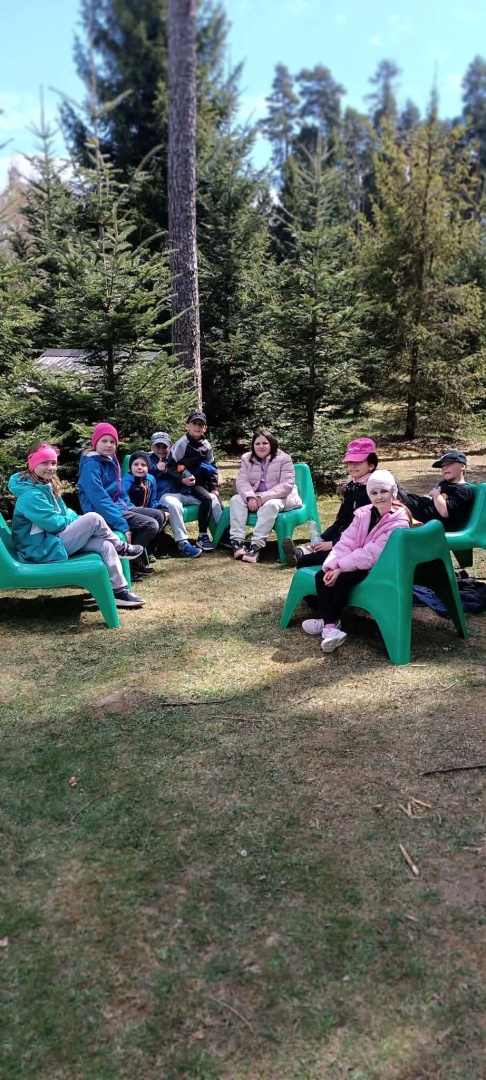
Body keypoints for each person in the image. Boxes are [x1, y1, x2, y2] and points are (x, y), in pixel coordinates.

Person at [8, 442, 145, 608]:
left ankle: (119, 591)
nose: (50, 468)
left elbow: (65, 513)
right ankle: (120, 547)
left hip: (52, 541)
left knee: (104, 544)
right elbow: (54, 524)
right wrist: (80, 523)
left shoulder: (46, 485)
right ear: (32, 464)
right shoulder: (30, 495)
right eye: (44, 463)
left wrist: (77, 521)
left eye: (53, 463)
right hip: (40, 549)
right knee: (93, 518)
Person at [302, 469, 411, 654]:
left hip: (378, 568)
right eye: (374, 493)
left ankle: (328, 623)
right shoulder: (364, 514)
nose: (379, 497)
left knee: (341, 579)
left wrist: (341, 568)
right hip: (357, 562)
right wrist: (334, 565)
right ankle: (330, 626)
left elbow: (372, 553)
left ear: (393, 492)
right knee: (323, 575)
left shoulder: (398, 520)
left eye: (384, 491)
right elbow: (347, 541)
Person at [282, 437, 378, 568]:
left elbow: (364, 530)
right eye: (350, 462)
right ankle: (302, 552)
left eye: (359, 462)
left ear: (371, 465)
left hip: (357, 546)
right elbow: (341, 521)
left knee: (306, 562)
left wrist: (334, 544)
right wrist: (324, 537)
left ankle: (300, 554)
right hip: (343, 539)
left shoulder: (374, 491)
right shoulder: (352, 487)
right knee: (316, 549)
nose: (353, 466)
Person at [78, 423, 162, 556]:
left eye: (112, 442)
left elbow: (120, 490)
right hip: (101, 511)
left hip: (119, 507)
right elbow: (100, 500)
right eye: (104, 441)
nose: (109, 445)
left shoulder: (111, 459)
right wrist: (122, 525)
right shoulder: (91, 465)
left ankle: (146, 553)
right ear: (95, 443)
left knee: (158, 515)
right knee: (151, 525)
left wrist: (130, 506)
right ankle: (134, 562)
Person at [229, 430, 302, 564]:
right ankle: (237, 543)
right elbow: (242, 481)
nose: (261, 446)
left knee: (271, 505)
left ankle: (255, 547)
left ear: (272, 444)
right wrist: (250, 497)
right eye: (257, 444)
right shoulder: (247, 458)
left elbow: (286, 485)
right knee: (236, 500)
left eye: (265, 443)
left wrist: (261, 498)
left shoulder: (284, 458)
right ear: (253, 446)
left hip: (281, 497)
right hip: (254, 496)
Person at [165, 411, 223, 552]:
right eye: (194, 424)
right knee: (206, 498)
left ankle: (224, 535)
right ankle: (202, 536)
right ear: (187, 426)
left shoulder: (206, 445)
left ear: (205, 428)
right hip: (186, 483)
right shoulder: (182, 444)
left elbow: (212, 468)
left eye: (200, 425)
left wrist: (214, 487)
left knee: (217, 501)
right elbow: (170, 466)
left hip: (202, 481)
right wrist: (182, 479)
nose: (197, 427)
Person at [148, 432, 201, 559]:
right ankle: (183, 543)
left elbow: (183, 470)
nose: (161, 450)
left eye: (164, 446)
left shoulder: (175, 459)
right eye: (158, 446)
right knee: (173, 504)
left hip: (183, 493)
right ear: (152, 447)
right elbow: (143, 477)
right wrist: (157, 469)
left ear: (170, 447)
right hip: (164, 496)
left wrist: (189, 477)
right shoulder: (147, 461)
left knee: (210, 499)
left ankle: (223, 537)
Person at [397, 450, 473, 532]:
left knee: (395, 495)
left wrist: (436, 494)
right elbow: (430, 495)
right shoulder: (444, 483)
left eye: (450, 464)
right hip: (421, 505)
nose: (445, 467)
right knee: (395, 494)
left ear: (462, 466)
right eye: (443, 466)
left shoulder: (463, 489)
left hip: (431, 519)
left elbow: (445, 512)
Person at [121, 451, 168, 572]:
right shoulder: (126, 482)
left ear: (148, 467)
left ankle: (148, 548)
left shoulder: (151, 479)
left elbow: (153, 501)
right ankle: (134, 559)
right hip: (130, 512)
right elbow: (123, 503)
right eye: (136, 464)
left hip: (147, 512)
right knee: (153, 521)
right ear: (130, 466)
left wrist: (162, 508)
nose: (140, 467)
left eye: (143, 465)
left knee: (161, 515)